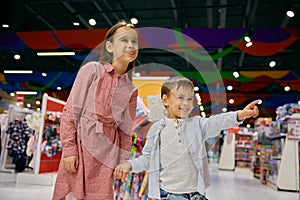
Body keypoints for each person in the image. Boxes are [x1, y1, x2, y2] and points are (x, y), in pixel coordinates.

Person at [114, 76, 260, 200]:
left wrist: (241, 115)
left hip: (195, 194)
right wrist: (129, 165)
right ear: (165, 100)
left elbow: (218, 121)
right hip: (168, 194)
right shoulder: (156, 129)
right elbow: (147, 158)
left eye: (190, 99)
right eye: (180, 98)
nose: (186, 103)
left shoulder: (197, 124)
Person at [52, 20, 139, 200]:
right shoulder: (92, 70)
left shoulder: (131, 90)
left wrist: (123, 161)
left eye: (134, 41)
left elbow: (125, 131)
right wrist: (69, 150)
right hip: (81, 149)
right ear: (109, 46)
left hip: (107, 155)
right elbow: (70, 113)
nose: (131, 45)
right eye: (124, 40)